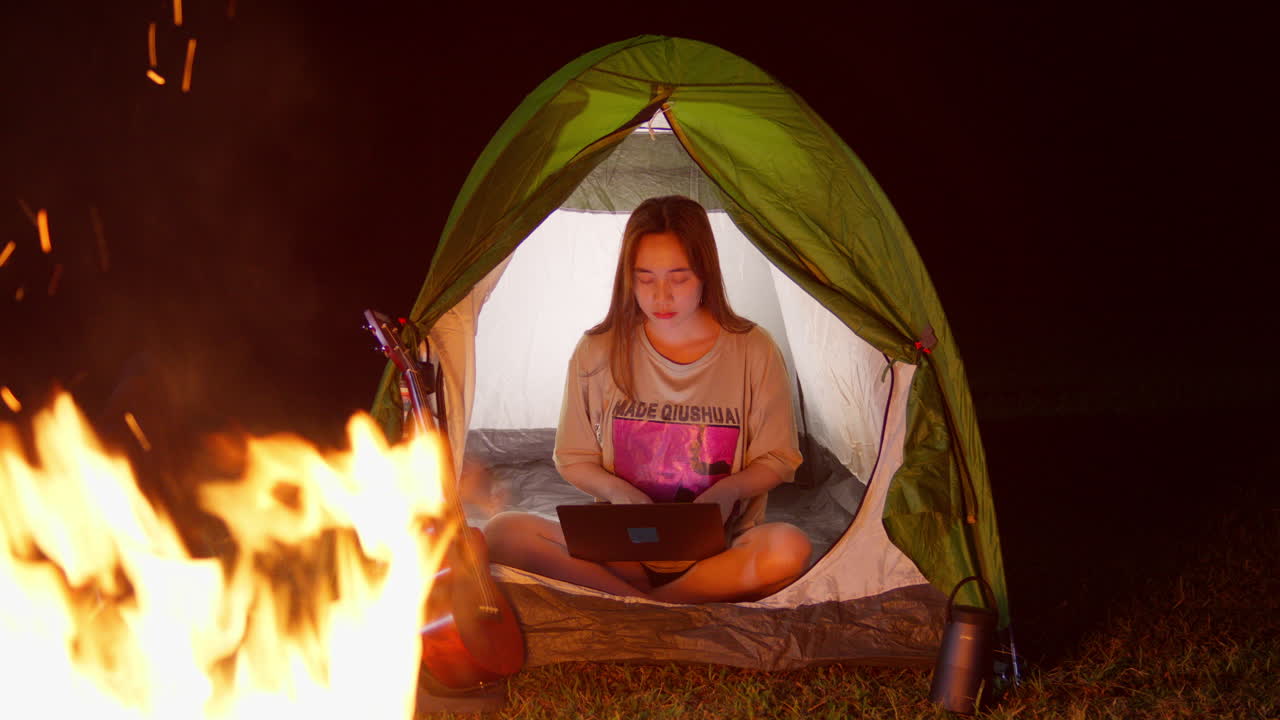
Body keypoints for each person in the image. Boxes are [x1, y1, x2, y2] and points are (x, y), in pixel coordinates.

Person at [484, 196, 811, 603]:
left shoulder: (752, 349)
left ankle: (638, 604)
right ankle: (663, 602)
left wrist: (728, 492)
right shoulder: (597, 349)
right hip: (622, 548)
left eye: (679, 278)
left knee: (788, 547)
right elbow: (572, 457)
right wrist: (619, 494)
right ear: (628, 278)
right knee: (502, 532)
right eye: (645, 278)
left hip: (718, 549)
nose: (661, 297)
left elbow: (780, 459)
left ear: (705, 273)